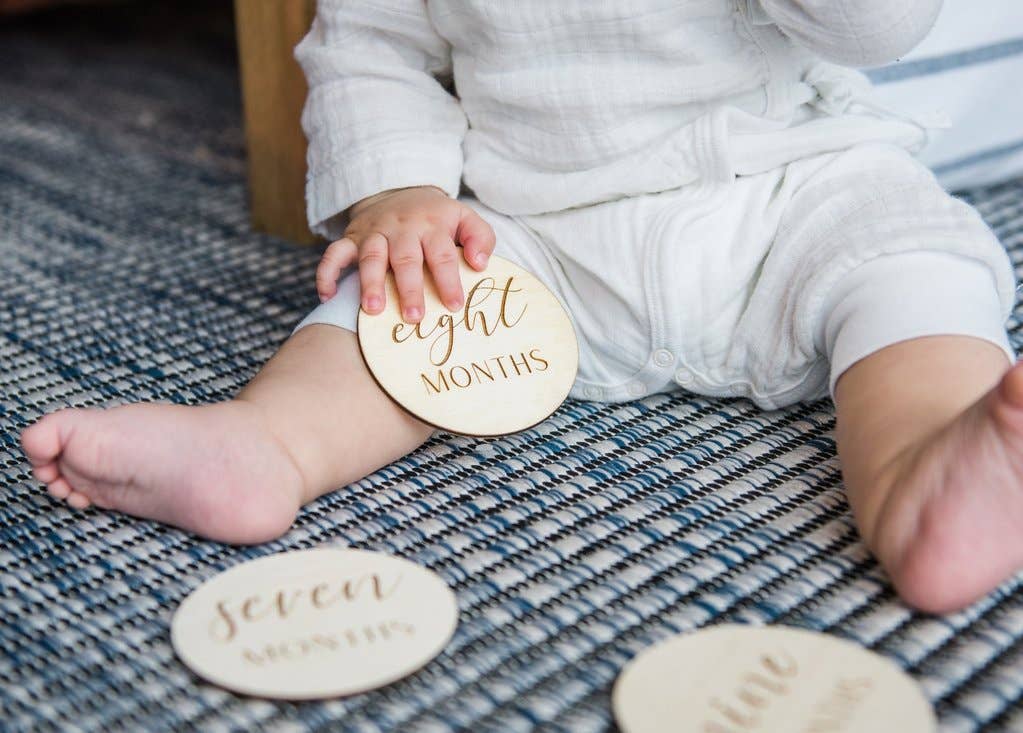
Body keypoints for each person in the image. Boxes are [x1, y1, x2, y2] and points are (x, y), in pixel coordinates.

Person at [21, 0, 1022, 614]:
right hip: (537, 227)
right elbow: (367, 47)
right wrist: (397, 194)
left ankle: (933, 477)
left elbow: (882, 24)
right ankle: (267, 444)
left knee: (907, 263)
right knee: (403, 303)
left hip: (789, 188)